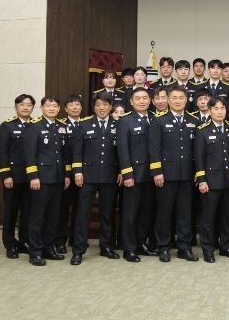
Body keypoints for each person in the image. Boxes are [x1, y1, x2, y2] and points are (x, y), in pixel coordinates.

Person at [149, 85, 199, 263]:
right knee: (164, 212)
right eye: (174, 98)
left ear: (186, 100)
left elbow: (197, 150)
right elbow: (154, 149)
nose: (178, 101)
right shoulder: (159, 120)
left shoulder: (193, 120)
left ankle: (184, 248)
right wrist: (157, 172)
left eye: (181, 98)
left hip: (187, 175)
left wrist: (198, 172)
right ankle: (163, 247)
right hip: (166, 175)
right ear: (168, 100)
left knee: (185, 213)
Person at [70, 93, 120, 265]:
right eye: (98, 104)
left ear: (110, 107)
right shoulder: (84, 124)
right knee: (83, 214)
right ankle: (78, 250)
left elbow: (121, 151)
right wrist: (77, 172)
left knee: (107, 214)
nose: (101, 108)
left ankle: (106, 247)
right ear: (94, 107)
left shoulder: (118, 124)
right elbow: (77, 151)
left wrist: (122, 171)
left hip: (110, 176)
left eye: (105, 104)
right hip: (88, 176)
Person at [23, 96, 70, 266]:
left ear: (59, 109)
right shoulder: (34, 127)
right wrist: (33, 176)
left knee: (53, 216)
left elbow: (64, 153)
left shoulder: (61, 126)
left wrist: (66, 175)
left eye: (55, 106)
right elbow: (29, 154)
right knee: (38, 217)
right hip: (41, 179)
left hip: (58, 178)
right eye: (48, 106)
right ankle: (35, 251)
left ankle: (48, 248)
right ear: (42, 108)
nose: (52, 108)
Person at [194, 97, 229, 263]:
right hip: (210, 182)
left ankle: (226, 247)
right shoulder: (202, 130)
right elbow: (199, 158)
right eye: (216, 109)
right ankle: (208, 249)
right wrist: (202, 180)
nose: (220, 112)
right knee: (208, 218)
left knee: (228, 216)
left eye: (222, 108)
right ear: (209, 111)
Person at [116, 87, 156, 262]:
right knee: (130, 214)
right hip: (134, 175)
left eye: (145, 98)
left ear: (150, 100)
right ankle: (129, 248)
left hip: (152, 175)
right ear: (131, 102)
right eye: (137, 98)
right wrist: (127, 174)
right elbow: (123, 150)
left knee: (146, 213)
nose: (142, 101)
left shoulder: (155, 118)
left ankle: (140, 243)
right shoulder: (125, 121)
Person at [0, 94, 35, 259]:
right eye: (22, 104)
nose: (25, 107)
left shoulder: (36, 125)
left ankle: (24, 241)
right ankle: (10, 243)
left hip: (32, 178)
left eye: (29, 105)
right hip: (13, 177)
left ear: (33, 108)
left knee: (28, 212)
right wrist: (6, 175)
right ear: (16, 107)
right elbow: (2, 152)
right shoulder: (7, 126)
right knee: (11, 212)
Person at [55, 94, 83, 254]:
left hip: (82, 174)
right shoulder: (59, 125)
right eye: (71, 105)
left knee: (80, 209)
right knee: (63, 209)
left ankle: (75, 238)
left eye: (77, 104)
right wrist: (66, 173)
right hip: (64, 175)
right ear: (65, 109)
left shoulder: (86, 124)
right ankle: (60, 241)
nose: (74, 107)